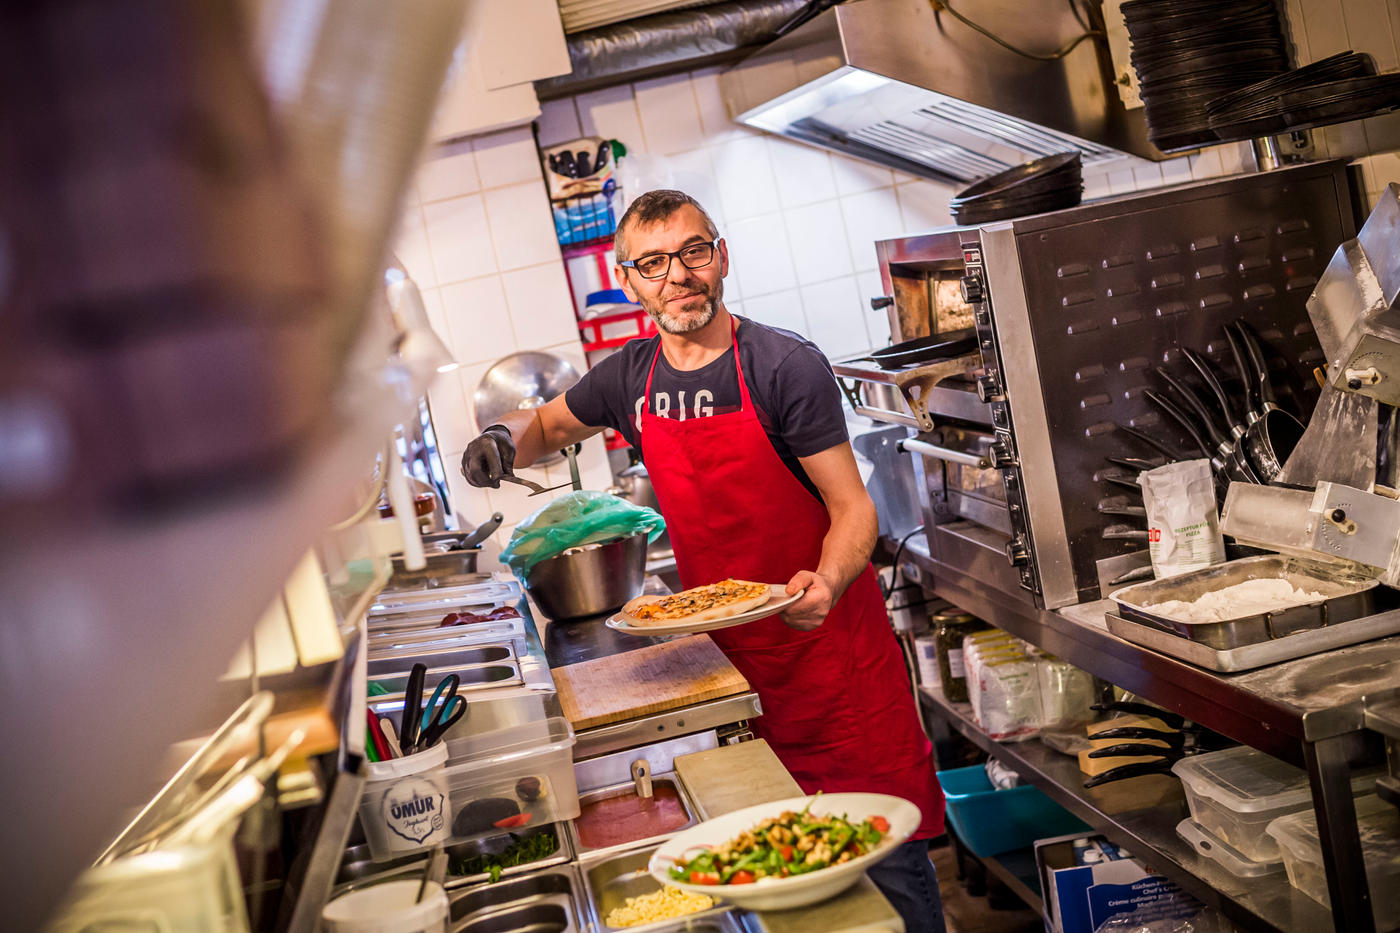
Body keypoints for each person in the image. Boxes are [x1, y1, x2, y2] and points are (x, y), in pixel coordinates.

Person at [462, 189, 946, 932]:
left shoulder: (785, 365)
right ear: (629, 280)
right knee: (784, 880)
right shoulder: (630, 376)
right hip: (723, 668)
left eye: (693, 252)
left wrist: (830, 578)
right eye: (653, 263)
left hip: (828, 660)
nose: (678, 276)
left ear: (720, 256)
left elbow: (854, 509)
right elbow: (546, 425)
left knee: (881, 868)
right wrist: (501, 439)